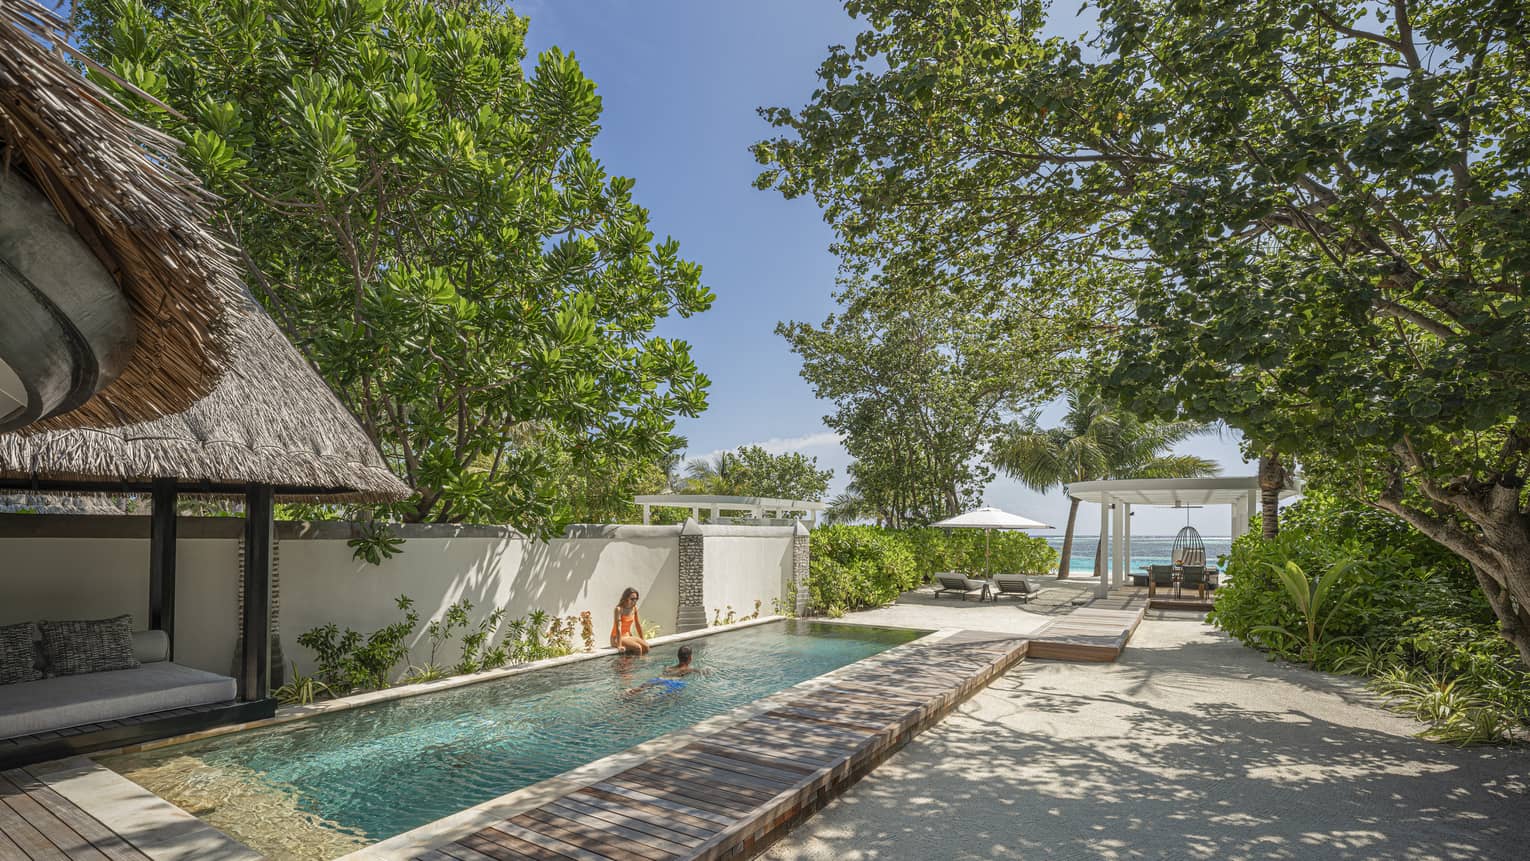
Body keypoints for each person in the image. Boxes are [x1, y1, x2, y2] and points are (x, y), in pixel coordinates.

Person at [610, 586, 649, 655]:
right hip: (616, 638)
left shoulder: (634, 609)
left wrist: (642, 639)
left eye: (636, 599)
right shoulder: (619, 609)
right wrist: (619, 645)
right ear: (626, 598)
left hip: (628, 636)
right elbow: (618, 627)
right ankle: (638, 665)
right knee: (638, 648)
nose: (634, 601)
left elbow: (638, 625)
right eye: (632, 599)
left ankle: (641, 662)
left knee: (646, 647)